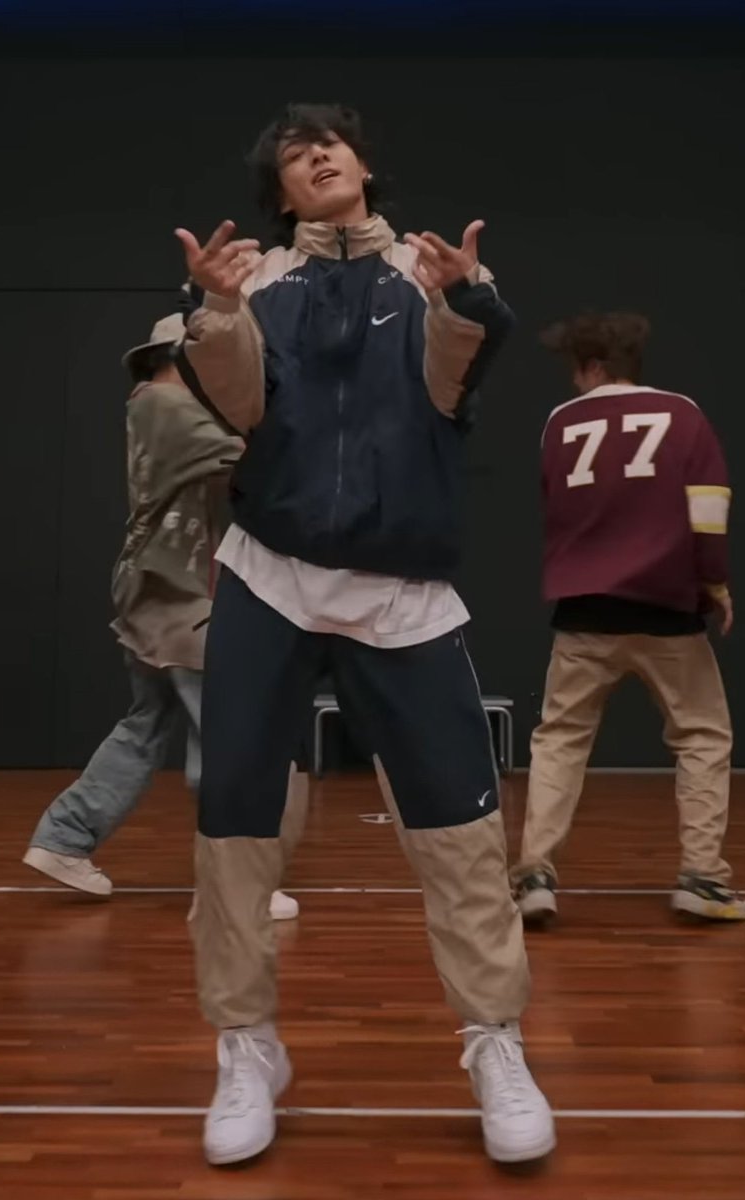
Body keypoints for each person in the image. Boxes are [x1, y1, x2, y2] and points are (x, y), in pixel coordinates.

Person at [174, 102, 555, 1169]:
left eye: (329, 144)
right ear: (280, 193)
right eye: (295, 156)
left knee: (460, 827)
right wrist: (213, 314)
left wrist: (464, 300)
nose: (317, 156)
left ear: (362, 165)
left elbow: (450, 379)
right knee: (235, 822)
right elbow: (241, 409)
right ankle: (246, 1045)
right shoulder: (252, 283)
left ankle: (494, 1039)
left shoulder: (428, 274)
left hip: (404, 593)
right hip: (272, 576)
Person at [23, 313, 301, 921]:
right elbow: (258, 456)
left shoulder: (156, 404)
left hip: (157, 590)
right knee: (228, 734)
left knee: (145, 725)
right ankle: (232, 882)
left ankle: (64, 837)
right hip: (182, 595)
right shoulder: (170, 408)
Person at [511, 312, 745, 925]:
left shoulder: (560, 422)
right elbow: (709, 513)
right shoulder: (684, 414)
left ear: (593, 367)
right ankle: (702, 878)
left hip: (584, 611)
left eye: (575, 370)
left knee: (560, 739)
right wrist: (714, 584)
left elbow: (558, 511)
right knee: (701, 736)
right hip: (667, 608)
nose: (574, 382)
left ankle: (535, 874)